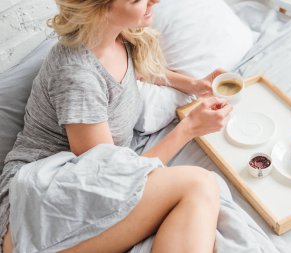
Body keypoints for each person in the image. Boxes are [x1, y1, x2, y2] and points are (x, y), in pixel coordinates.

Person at [0, 0, 233, 252]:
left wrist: (194, 85)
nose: (154, 1)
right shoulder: (78, 77)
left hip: (80, 190)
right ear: (99, 8)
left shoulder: (117, 38)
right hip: (36, 208)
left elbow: (139, 71)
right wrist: (188, 129)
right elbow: (112, 180)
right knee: (201, 183)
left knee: (203, 196)